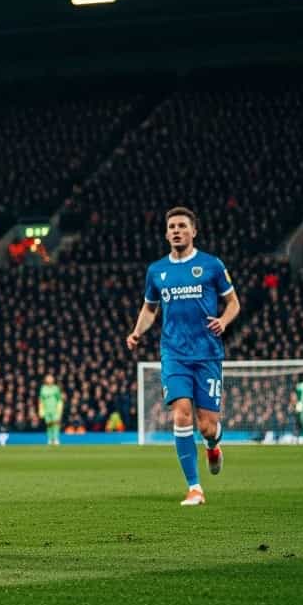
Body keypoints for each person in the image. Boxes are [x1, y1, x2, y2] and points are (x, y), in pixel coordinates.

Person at [126, 206, 240, 506]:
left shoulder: (212, 265)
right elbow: (150, 308)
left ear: (193, 231)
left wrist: (224, 321)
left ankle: (213, 445)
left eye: (182, 226)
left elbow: (233, 303)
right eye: (172, 227)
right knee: (180, 414)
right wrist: (137, 332)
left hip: (207, 354)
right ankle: (194, 488)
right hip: (173, 353)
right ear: (166, 234)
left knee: (207, 426)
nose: (176, 230)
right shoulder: (157, 271)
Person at [39, 374, 64, 446]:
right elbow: (41, 400)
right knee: (49, 425)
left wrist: (59, 409)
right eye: (48, 378)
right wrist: (41, 410)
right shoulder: (43, 388)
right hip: (46, 410)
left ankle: (56, 439)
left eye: (51, 378)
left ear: (53, 380)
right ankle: (50, 439)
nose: (49, 379)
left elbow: (59, 399)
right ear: (45, 380)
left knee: (56, 424)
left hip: (55, 410)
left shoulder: (56, 388)